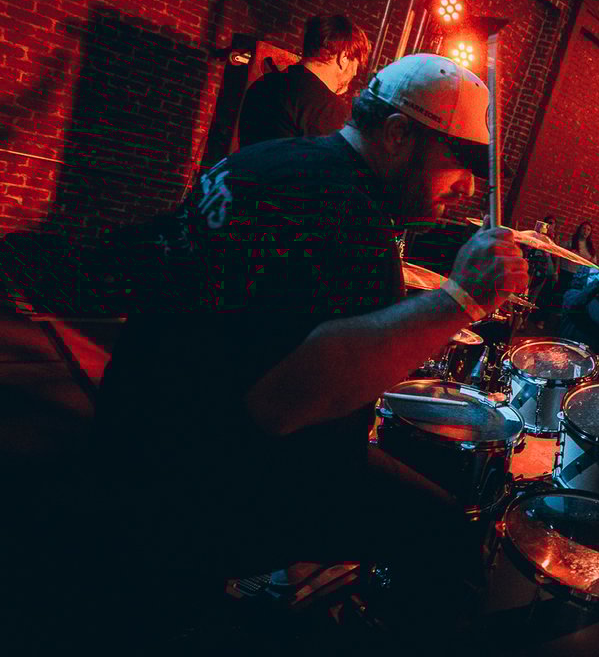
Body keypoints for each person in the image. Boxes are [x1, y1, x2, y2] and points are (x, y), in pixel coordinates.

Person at [92, 53, 528, 626]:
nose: (468, 186)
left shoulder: (268, 158)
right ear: (398, 133)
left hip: (134, 424)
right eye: (459, 161)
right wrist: (460, 299)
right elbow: (284, 406)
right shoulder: (352, 220)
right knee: (447, 531)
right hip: (205, 478)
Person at [237, 14, 370, 148]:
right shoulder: (330, 110)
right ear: (344, 58)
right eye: (356, 65)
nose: (354, 73)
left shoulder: (262, 84)